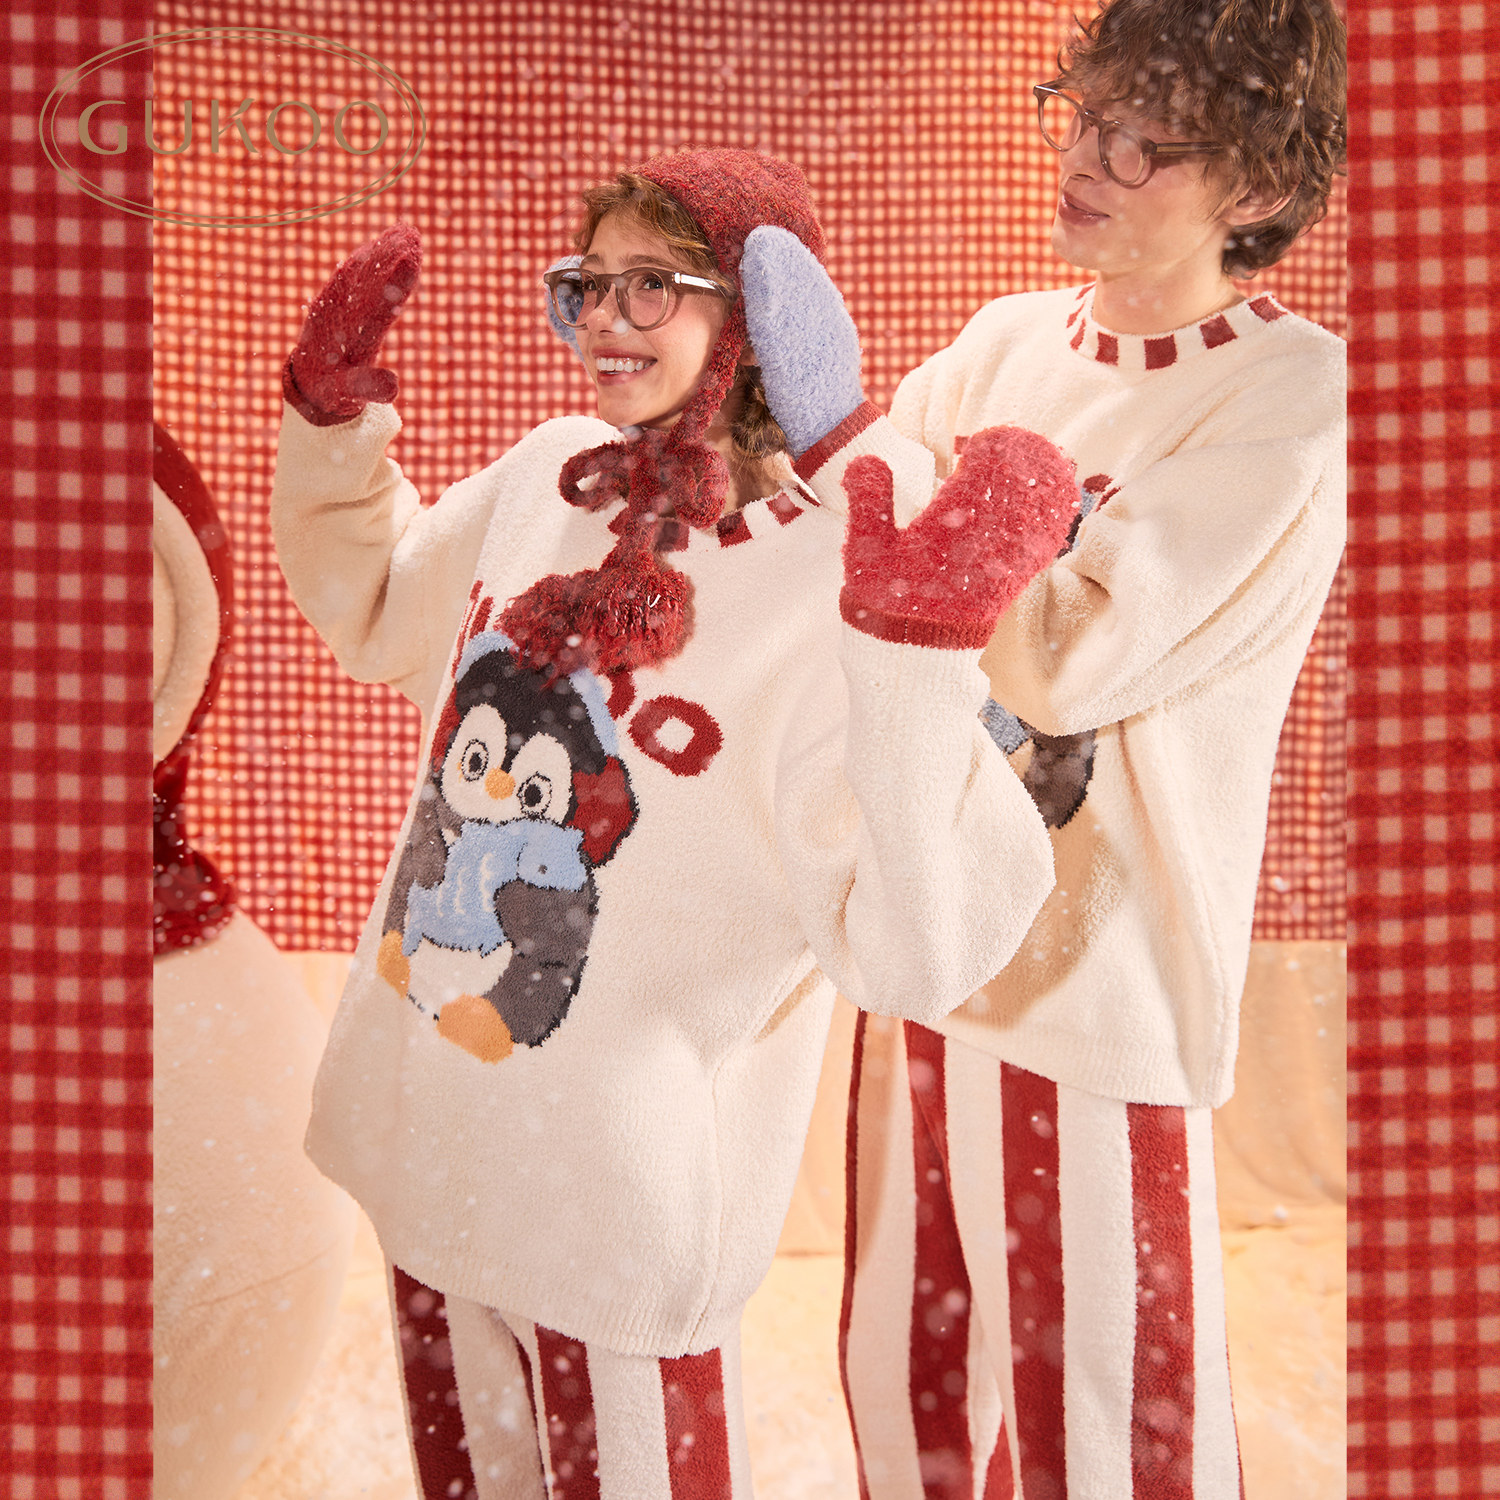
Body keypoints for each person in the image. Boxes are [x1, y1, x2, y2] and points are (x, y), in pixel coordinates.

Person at [270, 149, 1080, 1499]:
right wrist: (334, 425)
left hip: (615, 1195)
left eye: (653, 284)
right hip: (433, 1131)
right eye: (589, 284)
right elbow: (380, 607)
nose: (604, 317)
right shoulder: (552, 476)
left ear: (759, 318)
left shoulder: (840, 570)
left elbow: (918, 950)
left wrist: (914, 653)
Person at [824, 0, 1349, 1495]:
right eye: (1084, 116)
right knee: (908, 1388)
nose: (1088, 161)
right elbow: (847, 534)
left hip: (1098, 979)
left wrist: (932, 524)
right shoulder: (1004, 341)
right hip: (926, 933)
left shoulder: (1287, 397)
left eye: (1146, 142)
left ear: (1257, 185)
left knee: (1110, 1430)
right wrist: (887, 498)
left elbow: (1072, 656)